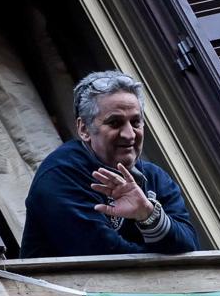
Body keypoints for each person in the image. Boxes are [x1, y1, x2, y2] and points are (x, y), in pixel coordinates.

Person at [20, 71, 199, 258]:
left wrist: (148, 215)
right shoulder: (60, 174)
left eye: (136, 122)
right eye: (115, 123)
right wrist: (165, 253)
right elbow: (103, 256)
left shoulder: (156, 178)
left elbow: (189, 246)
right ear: (84, 129)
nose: (129, 134)